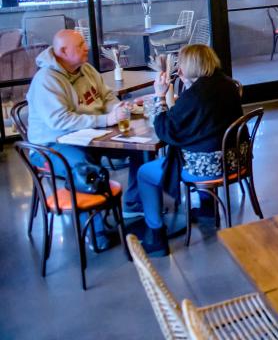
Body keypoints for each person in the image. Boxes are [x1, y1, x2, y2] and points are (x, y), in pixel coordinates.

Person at [25, 29, 141, 249]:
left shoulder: (86, 69)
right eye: (80, 45)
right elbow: (59, 121)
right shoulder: (46, 80)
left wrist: (118, 108)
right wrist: (106, 120)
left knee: (139, 146)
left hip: (90, 135)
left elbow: (106, 96)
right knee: (84, 168)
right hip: (53, 146)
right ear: (63, 51)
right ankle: (96, 233)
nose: (86, 47)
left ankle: (134, 203)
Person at [136, 44, 243, 256]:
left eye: (181, 66)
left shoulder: (195, 96)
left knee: (145, 173)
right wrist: (187, 85)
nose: (179, 70)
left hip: (208, 166)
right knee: (202, 143)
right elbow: (201, 121)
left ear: (191, 67)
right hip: (234, 158)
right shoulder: (228, 84)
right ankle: (207, 210)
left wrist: (159, 97)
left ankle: (156, 237)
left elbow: (166, 130)